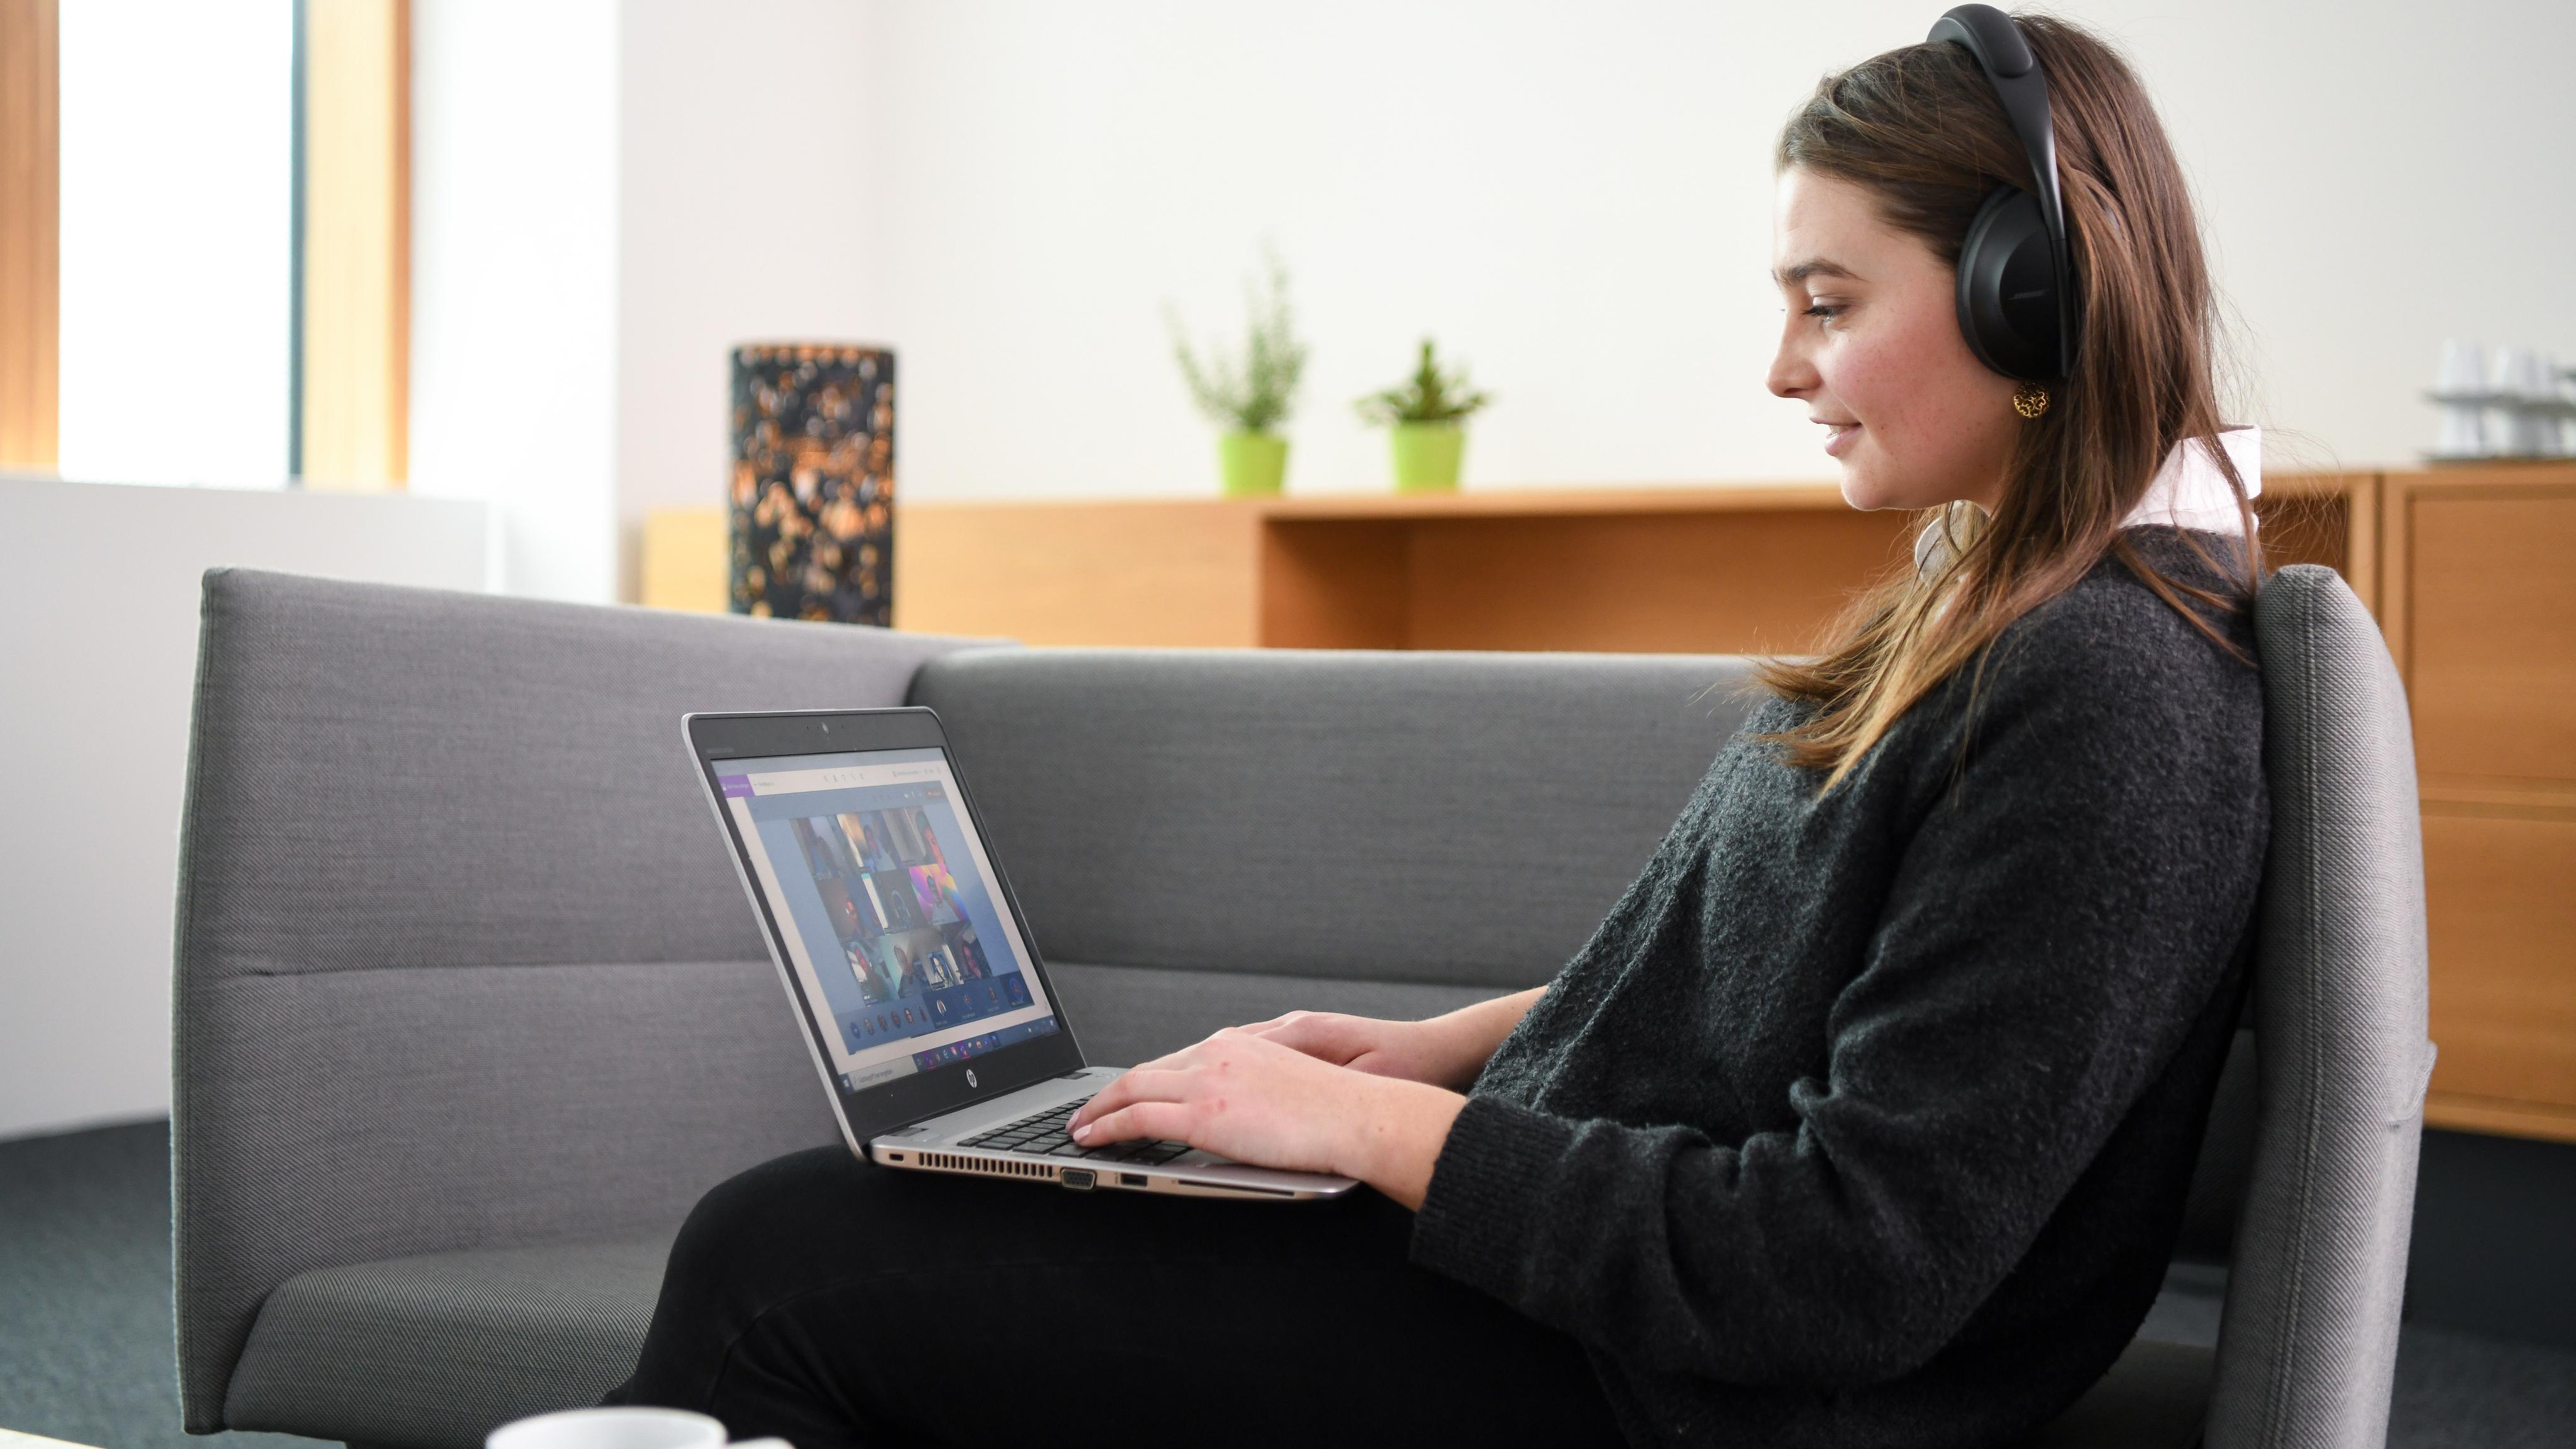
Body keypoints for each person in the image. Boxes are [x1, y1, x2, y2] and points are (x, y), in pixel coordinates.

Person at [608, 14, 2266, 1447]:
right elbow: (1817, 992)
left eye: (1828, 302)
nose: (1782, 366)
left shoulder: (2111, 698)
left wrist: (1368, 1131)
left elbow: (1840, 1267)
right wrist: (1429, 1053)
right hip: (1573, 1293)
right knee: (868, 1232)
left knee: (774, 1266)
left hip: (1669, 1391)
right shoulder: (2007, 604)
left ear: (2026, 295)